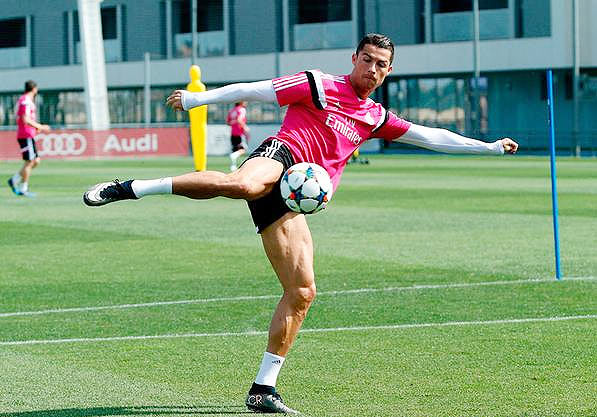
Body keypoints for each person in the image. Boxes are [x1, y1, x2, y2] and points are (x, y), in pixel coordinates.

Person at [83, 33, 518, 414]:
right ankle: (133, 187)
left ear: (388, 72)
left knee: (303, 291)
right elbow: (255, 91)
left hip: (298, 197)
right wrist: (198, 99)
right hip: (282, 156)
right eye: (366, 59)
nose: (372, 68)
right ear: (354, 59)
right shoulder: (317, 84)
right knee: (243, 185)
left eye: (380, 65)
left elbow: (431, 136)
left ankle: (262, 389)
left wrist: (490, 148)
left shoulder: (375, 117)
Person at [7, 80, 51, 198]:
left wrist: (36, 128)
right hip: (25, 134)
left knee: (35, 161)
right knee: (30, 161)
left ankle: (14, 179)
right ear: (34, 89)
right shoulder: (25, 101)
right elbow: (25, 119)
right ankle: (23, 188)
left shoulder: (26, 100)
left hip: (28, 134)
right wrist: (40, 126)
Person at [227, 101, 250, 171]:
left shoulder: (232, 110)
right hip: (240, 132)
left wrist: (234, 123)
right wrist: (245, 127)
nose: (246, 102)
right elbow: (239, 119)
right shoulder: (241, 109)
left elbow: (228, 122)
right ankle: (233, 157)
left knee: (235, 150)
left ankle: (233, 166)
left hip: (233, 133)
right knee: (244, 149)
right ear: (241, 102)